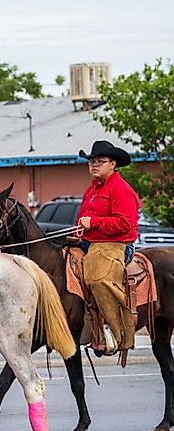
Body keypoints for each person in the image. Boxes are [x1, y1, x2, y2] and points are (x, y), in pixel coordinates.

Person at [76, 140, 140, 353]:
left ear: (113, 164)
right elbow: (84, 217)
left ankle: (119, 333)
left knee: (98, 279)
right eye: (92, 161)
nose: (94, 165)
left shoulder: (121, 189)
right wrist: (79, 229)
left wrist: (93, 223)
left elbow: (124, 223)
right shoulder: (92, 189)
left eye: (100, 161)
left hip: (116, 244)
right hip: (90, 242)